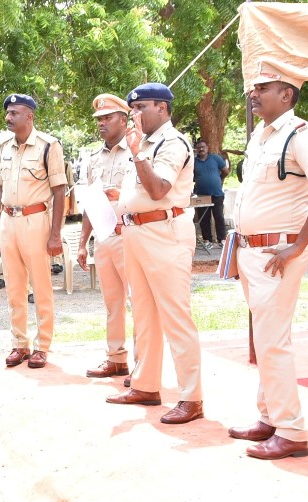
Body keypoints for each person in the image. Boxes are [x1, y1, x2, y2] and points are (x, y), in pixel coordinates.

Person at [229, 59, 308, 460]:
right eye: (253, 88)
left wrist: (298, 244)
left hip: (277, 253)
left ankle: (291, 430)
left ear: (287, 95)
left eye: (263, 88)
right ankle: (271, 417)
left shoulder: (300, 135)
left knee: (273, 341)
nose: (253, 94)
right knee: (265, 338)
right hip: (252, 251)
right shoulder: (261, 134)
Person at [106, 83, 204, 424]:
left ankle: (191, 396)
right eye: (132, 109)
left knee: (175, 315)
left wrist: (137, 154)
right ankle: (146, 384)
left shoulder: (171, 142)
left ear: (161, 108)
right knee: (144, 314)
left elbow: (160, 189)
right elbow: (142, 190)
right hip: (137, 233)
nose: (134, 115)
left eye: (140, 108)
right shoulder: (145, 144)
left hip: (165, 233)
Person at [0, 94, 68, 368]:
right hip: (9, 220)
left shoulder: (49, 146)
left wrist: (55, 234)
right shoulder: (4, 147)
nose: (8, 117)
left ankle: (42, 345)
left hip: (36, 220)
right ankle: (19, 343)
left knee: (41, 285)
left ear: (30, 116)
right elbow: (1, 191)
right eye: (8, 113)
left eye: (14, 113)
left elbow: (60, 192)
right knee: (14, 286)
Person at [77, 94, 135, 380]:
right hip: (103, 236)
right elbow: (90, 203)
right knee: (112, 302)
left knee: (138, 302)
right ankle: (115, 358)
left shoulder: (136, 152)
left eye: (107, 118)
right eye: (99, 119)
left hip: (130, 235)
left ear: (124, 120)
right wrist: (82, 243)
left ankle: (144, 366)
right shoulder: (93, 158)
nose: (101, 123)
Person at [193, 139, 229, 244]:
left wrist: (217, 179)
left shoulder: (216, 158)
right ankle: (207, 240)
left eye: (203, 147)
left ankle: (222, 239)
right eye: (199, 147)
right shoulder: (194, 162)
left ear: (207, 148)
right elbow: (191, 176)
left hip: (217, 193)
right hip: (201, 194)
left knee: (219, 217)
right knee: (204, 219)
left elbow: (225, 172)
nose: (201, 149)